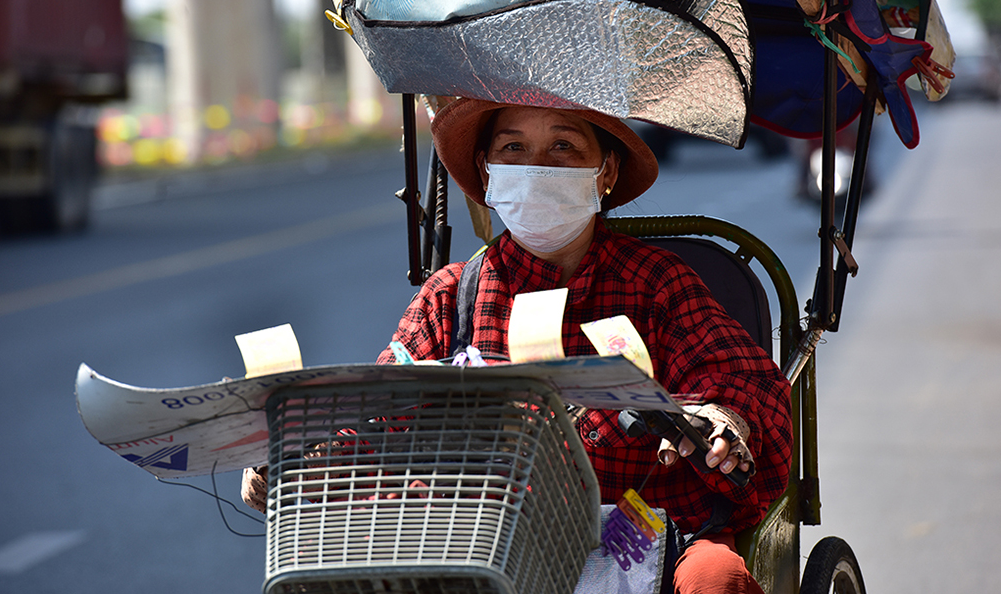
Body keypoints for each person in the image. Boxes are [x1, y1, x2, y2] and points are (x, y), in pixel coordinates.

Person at [244, 99, 792, 594]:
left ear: (607, 172)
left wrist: (722, 420)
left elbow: (736, 376)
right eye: (514, 148)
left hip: (645, 531)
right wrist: (298, 457)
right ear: (488, 172)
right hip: (485, 539)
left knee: (714, 578)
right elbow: (378, 412)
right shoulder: (453, 295)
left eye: (563, 145)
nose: (537, 166)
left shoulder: (656, 281)